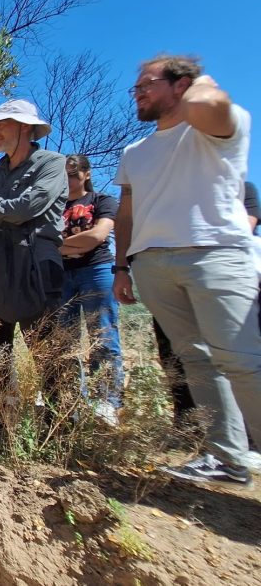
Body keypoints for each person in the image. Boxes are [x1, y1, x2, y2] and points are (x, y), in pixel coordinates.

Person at [113, 55, 261, 487]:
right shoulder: (134, 153)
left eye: (147, 83)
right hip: (152, 262)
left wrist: (200, 85)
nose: (138, 91)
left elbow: (209, 106)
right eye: (135, 86)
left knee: (243, 361)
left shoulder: (216, 128)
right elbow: (126, 213)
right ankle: (228, 458)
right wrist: (122, 265)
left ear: (182, 86)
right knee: (197, 361)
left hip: (216, 255)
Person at [0, 99, 68, 402]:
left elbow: (29, 207)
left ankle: (59, 423)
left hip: (36, 259)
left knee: (43, 343)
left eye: (2, 124)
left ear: (25, 127)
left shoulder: (53, 163)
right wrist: (5, 211)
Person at [59, 154, 125, 425]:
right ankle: (72, 398)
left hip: (96, 270)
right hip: (61, 275)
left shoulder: (102, 201)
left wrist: (60, 246)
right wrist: (75, 244)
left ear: (86, 173)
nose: (69, 179)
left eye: (73, 173)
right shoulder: (54, 206)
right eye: (64, 174)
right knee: (65, 340)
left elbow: (98, 237)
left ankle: (107, 400)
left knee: (103, 335)